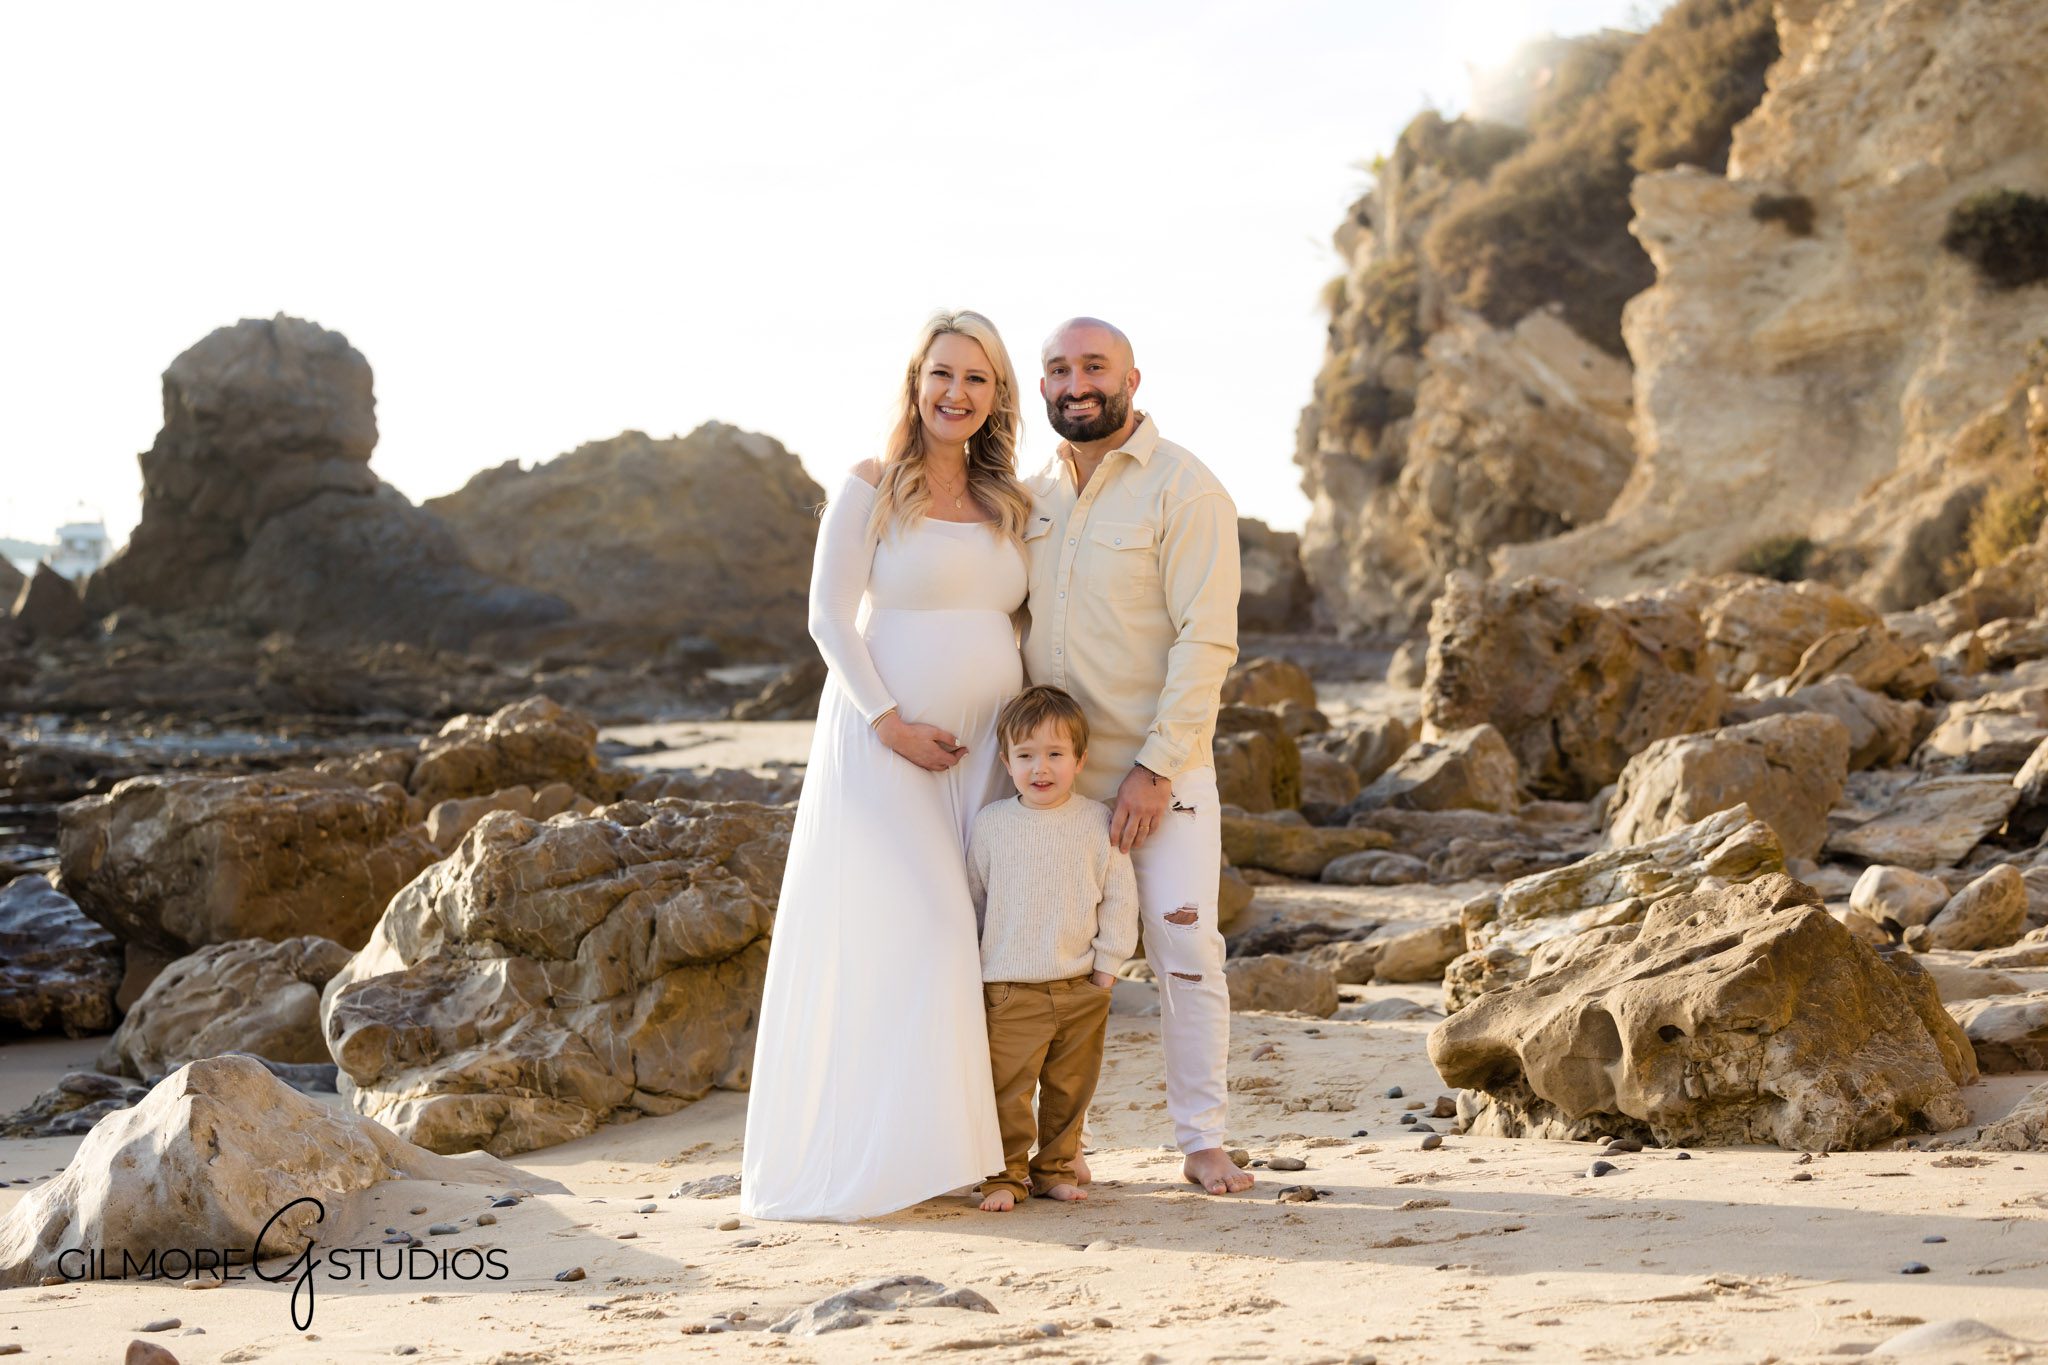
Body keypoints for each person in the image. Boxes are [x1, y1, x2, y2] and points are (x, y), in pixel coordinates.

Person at [740, 309, 1036, 1221]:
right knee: (925, 931)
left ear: (997, 397)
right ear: (916, 383)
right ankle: (891, 1153)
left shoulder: (1013, 502)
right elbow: (829, 617)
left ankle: (968, 1153)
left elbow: (1027, 620)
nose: (957, 393)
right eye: (942, 374)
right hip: (885, 745)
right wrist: (892, 722)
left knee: (973, 941)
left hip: (988, 749)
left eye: (977, 379)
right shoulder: (870, 484)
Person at [1019, 316, 1253, 1196]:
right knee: (1055, 971)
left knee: (1187, 953)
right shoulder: (1031, 494)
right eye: (1058, 369)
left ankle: (1203, 1140)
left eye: (1094, 367)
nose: (1076, 383)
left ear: (1132, 378)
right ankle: (1061, 1147)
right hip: (1054, 782)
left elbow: (1208, 641)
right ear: (1040, 387)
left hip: (1164, 774)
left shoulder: (1185, 489)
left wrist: (1156, 769)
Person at [967, 685, 1138, 1212]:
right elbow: (975, 900)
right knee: (1008, 1091)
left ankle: (1057, 1168)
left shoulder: (1095, 822)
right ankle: (1005, 1174)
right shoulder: (992, 824)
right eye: (1025, 756)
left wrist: (1106, 972)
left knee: (1071, 1089)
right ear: (1006, 761)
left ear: (1080, 760)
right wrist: (975, 971)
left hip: (1081, 984)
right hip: (1009, 989)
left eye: (1055, 754)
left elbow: (1118, 899)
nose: (1040, 768)